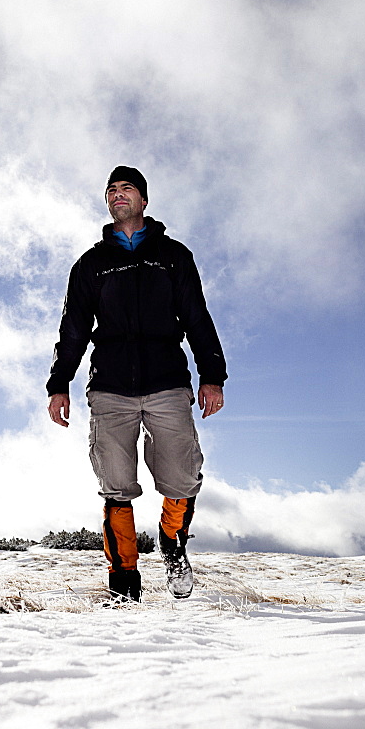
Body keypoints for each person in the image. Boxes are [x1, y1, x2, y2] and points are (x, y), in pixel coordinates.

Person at [47, 166, 226, 602]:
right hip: (108, 387)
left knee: (183, 477)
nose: (117, 195)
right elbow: (73, 327)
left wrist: (212, 375)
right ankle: (125, 579)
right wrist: (59, 382)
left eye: (127, 188)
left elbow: (196, 317)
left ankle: (173, 543)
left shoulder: (174, 256)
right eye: (111, 190)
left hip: (167, 382)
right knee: (116, 484)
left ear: (144, 200)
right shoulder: (91, 264)